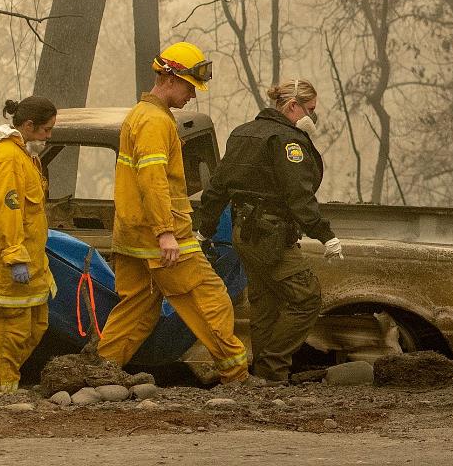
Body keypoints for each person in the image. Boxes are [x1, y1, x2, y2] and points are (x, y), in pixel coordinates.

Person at [95, 42, 249, 383]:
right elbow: (153, 181)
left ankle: (100, 373)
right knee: (210, 299)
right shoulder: (154, 122)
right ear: (169, 78)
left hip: (133, 234)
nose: (193, 95)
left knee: (136, 309)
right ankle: (237, 376)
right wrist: (166, 232)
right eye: (190, 87)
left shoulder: (139, 115)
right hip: (162, 235)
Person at [196, 78, 341, 384]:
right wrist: (326, 235)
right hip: (271, 235)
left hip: (243, 232)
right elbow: (299, 197)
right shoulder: (288, 141)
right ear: (292, 106)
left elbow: (217, 187)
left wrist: (204, 228)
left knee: (266, 302)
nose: (312, 117)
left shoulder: (242, 133)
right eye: (310, 110)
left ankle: (263, 379)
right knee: (306, 299)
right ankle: (273, 368)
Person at [0, 96, 57, 394]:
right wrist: (15, 256)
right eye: (46, 130)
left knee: (34, 327)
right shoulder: (7, 159)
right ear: (28, 125)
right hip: (7, 266)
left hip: (32, 263)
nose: (49, 137)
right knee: (8, 334)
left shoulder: (26, 156)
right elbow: (6, 211)